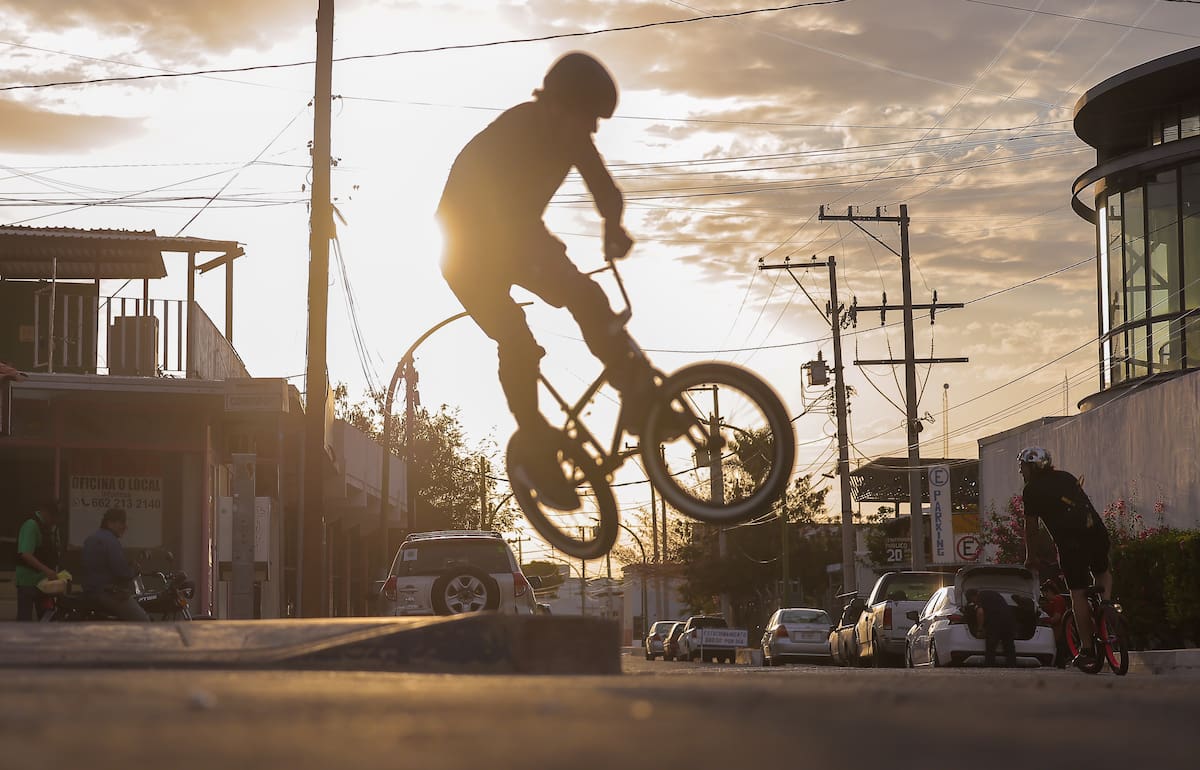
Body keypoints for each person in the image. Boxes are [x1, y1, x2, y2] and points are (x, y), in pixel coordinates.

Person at [435, 51, 658, 512]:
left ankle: (635, 393)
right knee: (517, 338)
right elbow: (501, 217)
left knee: (587, 294)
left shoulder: (572, 136)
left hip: (516, 237)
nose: (592, 131)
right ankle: (535, 448)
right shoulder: (518, 132)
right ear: (558, 106)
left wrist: (613, 229)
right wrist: (551, 264)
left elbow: (605, 190)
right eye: (587, 118)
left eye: (597, 122)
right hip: (467, 251)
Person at [1017, 446, 1111, 669]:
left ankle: (1087, 649)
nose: (1021, 472)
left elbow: (1031, 529)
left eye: (1022, 467)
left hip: (1070, 544)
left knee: (1077, 592)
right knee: (1102, 571)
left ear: (1032, 466)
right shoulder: (1066, 477)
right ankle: (1106, 605)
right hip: (1096, 533)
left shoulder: (1031, 490)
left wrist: (1031, 557)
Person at [81, 507, 149, 621]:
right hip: (108, 593)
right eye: (122, 522)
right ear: (110, 523)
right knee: (143, 621)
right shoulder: (110, 541)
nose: (125, 526)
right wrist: (134, 569)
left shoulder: (91, 538)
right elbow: (122, 572)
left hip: (90, 591)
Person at [14, 500, 61, 621]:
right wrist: (47, 571)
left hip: (43, 583)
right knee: (24, 621)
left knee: (47, 617)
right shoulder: (31, 525)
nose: (54, 521)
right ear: (45, 512)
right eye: (53, 517)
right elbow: (26, 554)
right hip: (28, 582)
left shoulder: (47, 528)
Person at [965, 587, 1017, 667]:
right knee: (1009, 645)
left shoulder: (980, 597)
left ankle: (989, 666)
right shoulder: (993, 594)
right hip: (1008, 621)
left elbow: (980, 612)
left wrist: (980, 629)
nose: (973, 602)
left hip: (995, 622)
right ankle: (1012, 666)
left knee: (991, 646)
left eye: (972, 600)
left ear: (973, 596)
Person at [1039, 577, 1069, 668]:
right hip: (1057, 631)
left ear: (1048, 591)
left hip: (1058, 630)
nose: (1044, 595)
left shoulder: (1057, 600)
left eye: (1044, 593)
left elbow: (1056, 618)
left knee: (1059, 651)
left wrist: (1043, 620)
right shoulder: (1056, 600)